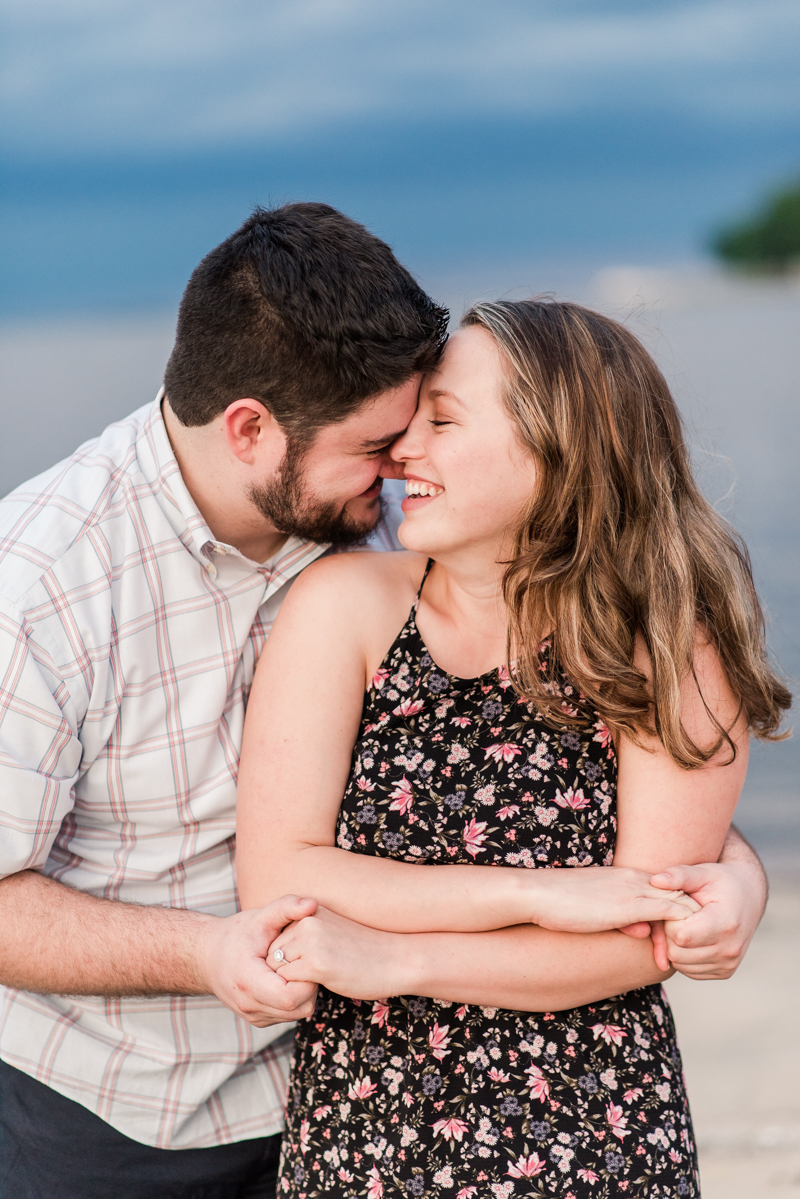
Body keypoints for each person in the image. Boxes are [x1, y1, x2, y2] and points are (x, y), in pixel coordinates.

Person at [0, 206, 768, 1199]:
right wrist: (220, 950)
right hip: (129, 1108)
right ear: (250, 431)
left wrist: (726, 871)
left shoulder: (367, 517)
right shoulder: (41, 582)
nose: (401, 457)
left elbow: (630, 841)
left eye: (429, 421)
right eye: (383, 439)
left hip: (343, 1082)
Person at [235, 299, 790, 1197]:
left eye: (442, 420)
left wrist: (401, 956)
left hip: (592, 1134)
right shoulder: (345, 606)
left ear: (560, 448)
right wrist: (546, 894)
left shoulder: (665, 640)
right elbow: (278, 874)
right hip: (368, 1132)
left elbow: (641, 933)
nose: (402, 447)